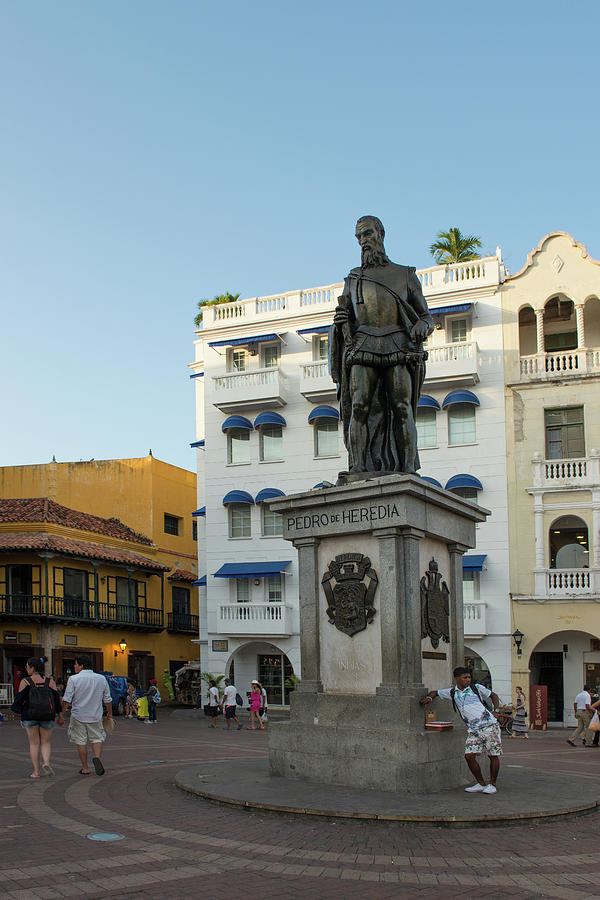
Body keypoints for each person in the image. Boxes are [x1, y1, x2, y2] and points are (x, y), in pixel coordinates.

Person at [330, 215, 434, 476]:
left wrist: (423, 326)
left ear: (380, 234)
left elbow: (426, 317)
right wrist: (340, 323)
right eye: (358, 237)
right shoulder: (353, 279)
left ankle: (408, 468)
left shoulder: (406, 275)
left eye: (367, 234)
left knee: (402, 407)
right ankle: (358, 465)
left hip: (398, 345)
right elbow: (346, 320)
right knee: (358, 406)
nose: (363, 241)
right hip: (362, 345)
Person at [420, 666, 502, 794]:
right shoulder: (452, 692)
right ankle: (481, 783)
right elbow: (435, 692)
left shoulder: (477, 688)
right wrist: (429, 698)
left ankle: (492, 784)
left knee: (493, 755)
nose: (468, 680)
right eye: (465, 678)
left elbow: (494, 696)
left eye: (469, 677)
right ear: (457, 678)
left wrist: (496, 711)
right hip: (473, 729)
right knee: (469, 756)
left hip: (489, 726)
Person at [11, 656, 64, 778]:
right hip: (48, 715)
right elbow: (56, 700)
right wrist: (60, 715)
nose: (26, 668)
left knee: (34, 744)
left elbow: (19, 700)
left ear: (32, 668)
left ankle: (36, 771)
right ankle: (46, 763)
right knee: (46, 742)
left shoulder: (26, 681)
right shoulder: (49, 681)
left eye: (27, 666)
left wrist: (19, 713)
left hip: (30, 716)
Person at [61, 654, 113, 775]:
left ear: (81, 666)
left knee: (81, 741)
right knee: (97, 738)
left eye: (75, 664)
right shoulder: (101, 679)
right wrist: (109, 714)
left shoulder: (74, 679)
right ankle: (96, 757)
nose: (74, 666)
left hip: (78, 715)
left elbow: (67, 699)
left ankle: (85, 768)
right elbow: (107, 699)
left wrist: (61, 714)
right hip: (95, 715)